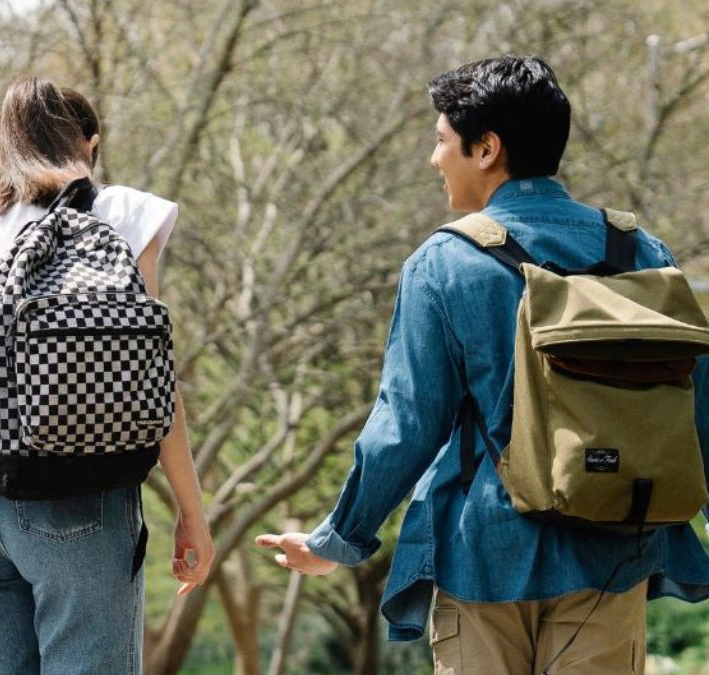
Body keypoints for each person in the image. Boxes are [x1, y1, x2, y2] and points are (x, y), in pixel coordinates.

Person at [256, 56, 709, 673]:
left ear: (487, 148)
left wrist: (339, 540)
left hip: (484, 556)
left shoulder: (444, 263)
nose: (434, 158)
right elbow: (691, 408)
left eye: (442, 142)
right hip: (612, 552)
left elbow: (407, 423)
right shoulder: (639, 251)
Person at [0, 76, 215, 674]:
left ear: (1, 149)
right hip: (78, 499)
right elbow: (151, 382)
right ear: (88, 146)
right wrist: (193, 515)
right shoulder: (120, 213)